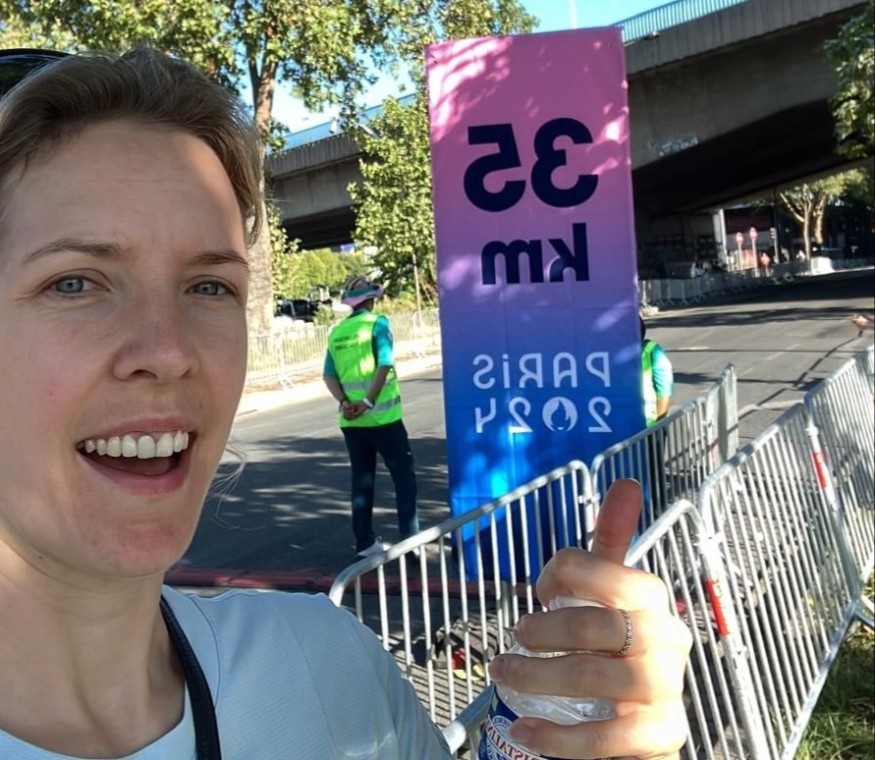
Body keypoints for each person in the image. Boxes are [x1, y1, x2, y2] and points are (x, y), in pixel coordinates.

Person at [0, 46, 692, 760]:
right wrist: (368, 400)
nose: (170, 351)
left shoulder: (330, 667)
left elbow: (337, 374)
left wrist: (568, 736)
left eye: (209, 287)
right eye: (74, 283)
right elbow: (371, 369)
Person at [323, 275, 419, 557]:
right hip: (382, 417)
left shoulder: (337, 332)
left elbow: (328, 376)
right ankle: (409, 540)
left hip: (351, 421)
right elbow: (384, 364)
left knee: (362, 479)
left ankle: (364, 542)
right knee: (403, 476)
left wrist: (345, 402)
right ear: (371, 299)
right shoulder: (377, 324)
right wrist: (367, 402)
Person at [641, 316, 674, 521]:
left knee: (653, 478)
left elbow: (664, 390)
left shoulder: (652, 350)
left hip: (651, 427)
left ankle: (659, 519)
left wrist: (659, 423)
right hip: (626, 427)